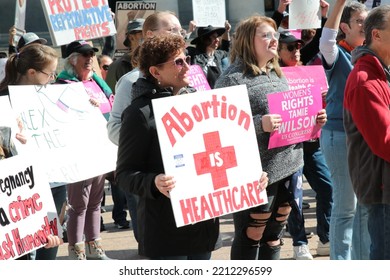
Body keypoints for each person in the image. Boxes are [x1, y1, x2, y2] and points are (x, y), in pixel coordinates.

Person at [214, 15, 327, 260]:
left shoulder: (277, 74)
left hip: (289, 165)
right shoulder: (232, 79)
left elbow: (289, 117)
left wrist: (311, 122)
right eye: (265, 35)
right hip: (257, 172)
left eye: (274, 34)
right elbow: (218, 127)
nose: (274, 39)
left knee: (275, 233)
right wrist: (258, 124)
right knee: (252, 232)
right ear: (246, 41)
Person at [106, 11, 189, 242]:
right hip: (150, 181)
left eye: (180, 29)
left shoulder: (190, 77)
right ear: (150, 35)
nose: (180, 34)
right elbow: (114, 128)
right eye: (172, 30)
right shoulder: (131, 82)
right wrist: (147, 139)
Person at [0, 44, 65, 260]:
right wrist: (9, 141)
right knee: (23, 255)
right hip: (21, 191)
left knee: (50, 249)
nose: (53, 78)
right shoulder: (3, 103)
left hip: (54, 183)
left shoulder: (50, 96)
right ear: (32, 73)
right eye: (50, 73)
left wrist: (89, 105)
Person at [319, 0, 370, 260]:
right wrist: (339, 3)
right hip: (339, 135)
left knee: (363, 206)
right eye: (360, 21)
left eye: (367, 20)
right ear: (345, 27)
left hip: (363, 138)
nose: (365, 25)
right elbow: (325, 41)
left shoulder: (372, 56)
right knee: (346, 206)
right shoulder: (337, 55)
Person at [56, 40, 114, 260]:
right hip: (78, 151)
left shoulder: (97, 82)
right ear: (72, 60)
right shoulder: (62, 85)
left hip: (100, 147)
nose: (90, 59)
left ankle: (94, 247)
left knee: (96, 201)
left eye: (91, 54)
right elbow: (58, 112)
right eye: (84, 55)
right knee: (78, 203)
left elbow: (109, 104)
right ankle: (76, 251)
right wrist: (79, 105)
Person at [278, 32, 333, 260]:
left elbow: (321, 39)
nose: (296, 51)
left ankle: (325, 237)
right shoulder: (274, 76)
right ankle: (299, 242)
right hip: (290, 146)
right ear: (278, 51)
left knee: (327, 187)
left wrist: (322, 104)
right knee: (295, 196)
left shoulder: (307, 72)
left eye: (298, 47)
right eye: (290, 48)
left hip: (312, 143)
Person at [343, 4, 390, 260]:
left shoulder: (381, 72)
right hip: (382, 188)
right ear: (377, 35)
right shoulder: (364, 80)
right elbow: (384, 141)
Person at [187, 21, 231, 88]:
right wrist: (189, 32)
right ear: (204, 39)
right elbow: (177, 49)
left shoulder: (218, 54)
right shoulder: (193, 53)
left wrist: (226, 32)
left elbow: (226, 48)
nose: (217, 40)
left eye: (217, 37)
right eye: (213, 37)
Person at [105, 18, 145, 93]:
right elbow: (111, 96)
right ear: (131, 37)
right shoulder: (117, 66)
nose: (148, 36)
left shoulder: (153, 61)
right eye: (143, 33)